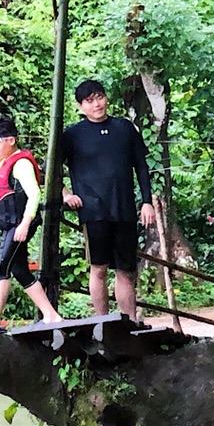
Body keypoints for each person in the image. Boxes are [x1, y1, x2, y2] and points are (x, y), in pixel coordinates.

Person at [58, 78, 156, 317]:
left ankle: (130, 322)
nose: (96, 104)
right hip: (92, 210)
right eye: (89, 101)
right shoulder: (72, 135)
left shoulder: (124, 128)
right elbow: (49, 169)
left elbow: (141, 166)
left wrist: (147, 201)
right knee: (98, 268)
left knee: (126, 270)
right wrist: (65, 194)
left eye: (99, 97)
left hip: (123, 209)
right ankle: (102, 322)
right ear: (80, 106)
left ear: (107, 98)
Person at [0, 118, 60, 333]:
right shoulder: (3, 162)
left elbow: (34, 194)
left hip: (18, 223)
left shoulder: (21, 163)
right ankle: (51, 315)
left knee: (2, 266)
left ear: (11, 140)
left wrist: (24, 224)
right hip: (10, 223)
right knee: (20, 270)